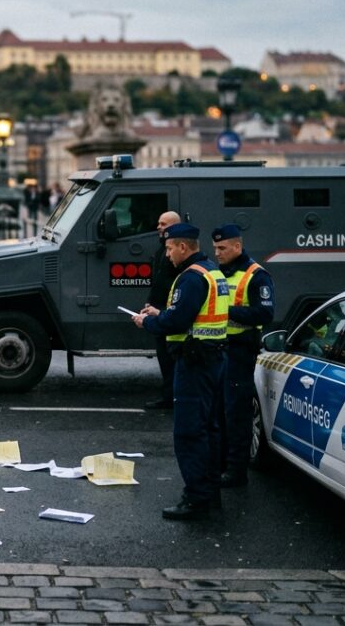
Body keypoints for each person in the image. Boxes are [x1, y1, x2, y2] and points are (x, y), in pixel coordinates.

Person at [132, 222, 228, 521]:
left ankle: (195, 499)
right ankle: (210, 492)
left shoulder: (190, 278)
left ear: (183, 247)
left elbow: (176, 323)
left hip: (194, 362)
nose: (168, 254)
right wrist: (163, 314)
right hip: (213, 359)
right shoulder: (211, 271)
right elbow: (190, 315)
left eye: (170, 248)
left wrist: (147, 322)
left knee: (189, 432)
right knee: (210, 428)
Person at [211, 224, 274, 488]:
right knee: (220, 412)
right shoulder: (218, 273)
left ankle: (237, 472)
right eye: (215, 248)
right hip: (219, 350)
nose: (217, 253)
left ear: (237, 246)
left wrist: (228, 311)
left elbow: (264, 314)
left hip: (240, 352)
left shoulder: (256, 276)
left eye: (222, 248)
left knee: (237, 414)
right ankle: (224, 464)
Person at [144, 211, 181, 409]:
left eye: (163, 223)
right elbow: (157, 282)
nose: (159, 227)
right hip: (158, 309)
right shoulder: (162, 250)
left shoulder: (176, 252)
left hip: (168, 311)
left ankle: (172, 398)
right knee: (164, 358)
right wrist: (150, 303)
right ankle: (168, 396)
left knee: (170, 358)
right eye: (159, 223)